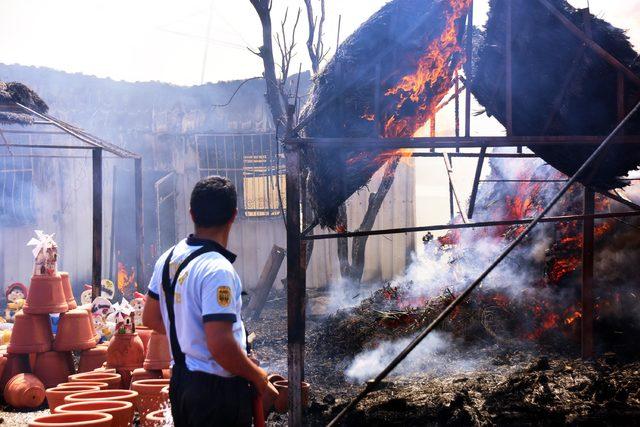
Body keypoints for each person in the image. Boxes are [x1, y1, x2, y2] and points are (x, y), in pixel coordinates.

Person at [143, 176, 278, 427]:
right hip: (217, 394)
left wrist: (191, 336)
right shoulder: (218, 270)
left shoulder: (168, 258)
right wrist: (257, 375)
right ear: (233, 215)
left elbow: (150, 317)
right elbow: (220, 345)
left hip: (182, 383)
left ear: (192, 213)